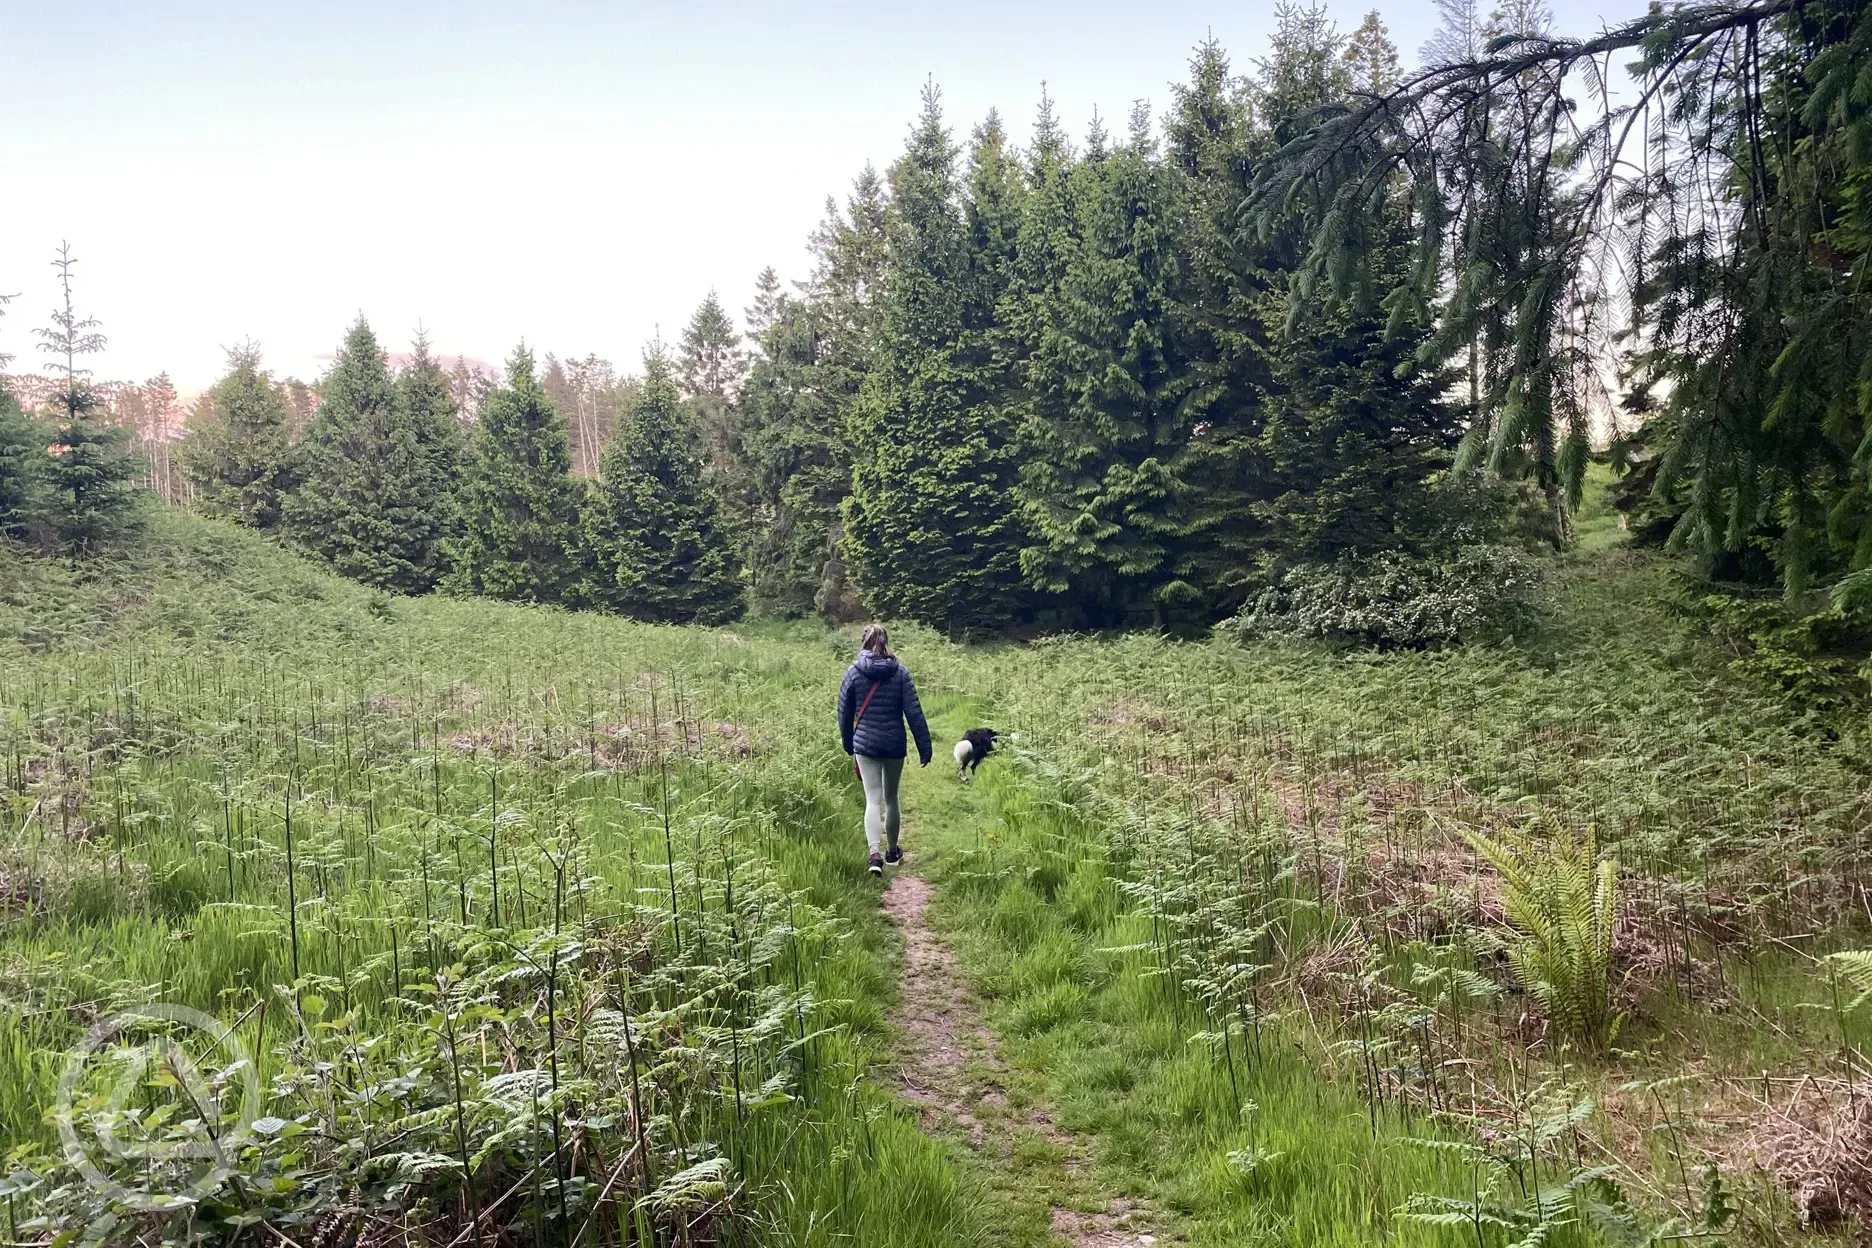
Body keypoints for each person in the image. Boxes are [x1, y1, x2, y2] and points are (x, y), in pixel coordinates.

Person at [837, 625, 932, 875]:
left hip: (865, 744)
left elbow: (844, 714)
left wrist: (848, 743)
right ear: (886, 642)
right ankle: (892, 852)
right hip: (893, 743)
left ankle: (874, 856)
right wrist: (925, 748)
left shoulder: (853, 673)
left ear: (863, 643)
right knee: (891, 798)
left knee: (872, 799)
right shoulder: (900, 673)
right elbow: (914, 713)